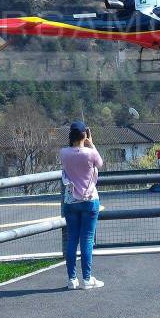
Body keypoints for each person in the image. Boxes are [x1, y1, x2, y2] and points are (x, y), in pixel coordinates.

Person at [60, 120, 105, 289]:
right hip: (89, 200)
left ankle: (72, 279)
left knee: (72, 239)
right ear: (84, 135)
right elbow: (100, 163)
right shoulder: (90, 153)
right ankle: (87, 279)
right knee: (87, 239)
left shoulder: (63, 153)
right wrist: (91, 143)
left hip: (71, 201)